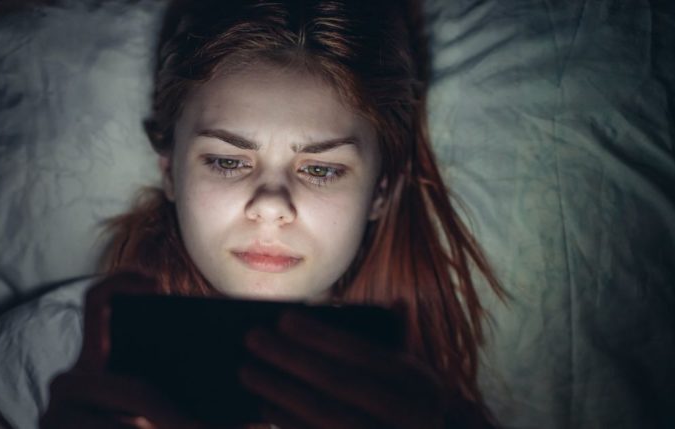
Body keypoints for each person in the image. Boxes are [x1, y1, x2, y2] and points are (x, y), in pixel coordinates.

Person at [39, 0, 506, 427]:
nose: (270, 205)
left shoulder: (427, 410)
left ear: (380, 191)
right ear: (170, 172)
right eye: (227, 161)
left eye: (321, 169)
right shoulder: (61, 350)